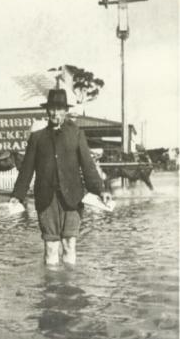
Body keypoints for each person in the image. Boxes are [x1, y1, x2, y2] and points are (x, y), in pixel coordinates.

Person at [10, 89, 111, 266]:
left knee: (69, 244)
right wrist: (17, 195)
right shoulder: (37, 137)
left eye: (59, 108)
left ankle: (68, 289)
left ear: (65, 110)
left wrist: (101, 190)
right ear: (47, 111)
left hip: (73, 197)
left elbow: (88, 165)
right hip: (46, 199)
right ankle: (51, 289)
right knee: (50, 246)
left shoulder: (76, 134)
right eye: (52, 109)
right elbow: (26, 169)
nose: (55, 113)